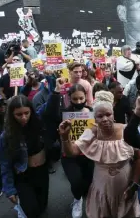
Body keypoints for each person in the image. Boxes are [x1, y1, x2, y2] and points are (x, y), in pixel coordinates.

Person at [59, 91, 140, 218]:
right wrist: (65, 137)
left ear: (113, 114)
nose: (104, 119)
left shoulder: (126, 130)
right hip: (101, 190)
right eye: (100, 116)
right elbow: (72, 152)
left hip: (126, 188)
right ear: (95, 118)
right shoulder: (92, 132)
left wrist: (135, 183)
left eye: (108, 114)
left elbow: (139, 156)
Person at [43, 80, 94, 218]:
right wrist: (56, 92)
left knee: (88, 183)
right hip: (69, 156)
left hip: (88, 155)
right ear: (70, 99)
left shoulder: (91, 113)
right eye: (75, 99)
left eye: (81, 98)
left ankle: (84, 197)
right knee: (76, 181)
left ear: (85, 97)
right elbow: (49, 115)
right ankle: (77, 200)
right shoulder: (64, 113)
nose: (78, 101)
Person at [0, 95, 49, 217]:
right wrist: (9, 189)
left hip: (42, 173)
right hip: (23, 175)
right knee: (32, 211)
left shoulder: (38, 123)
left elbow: (50, 103)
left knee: (42, 207)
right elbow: (5, 163)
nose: (24, 117)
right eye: (19, 114)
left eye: (27, 113)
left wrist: (57, 88)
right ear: (12, 115)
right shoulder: (6, 136)